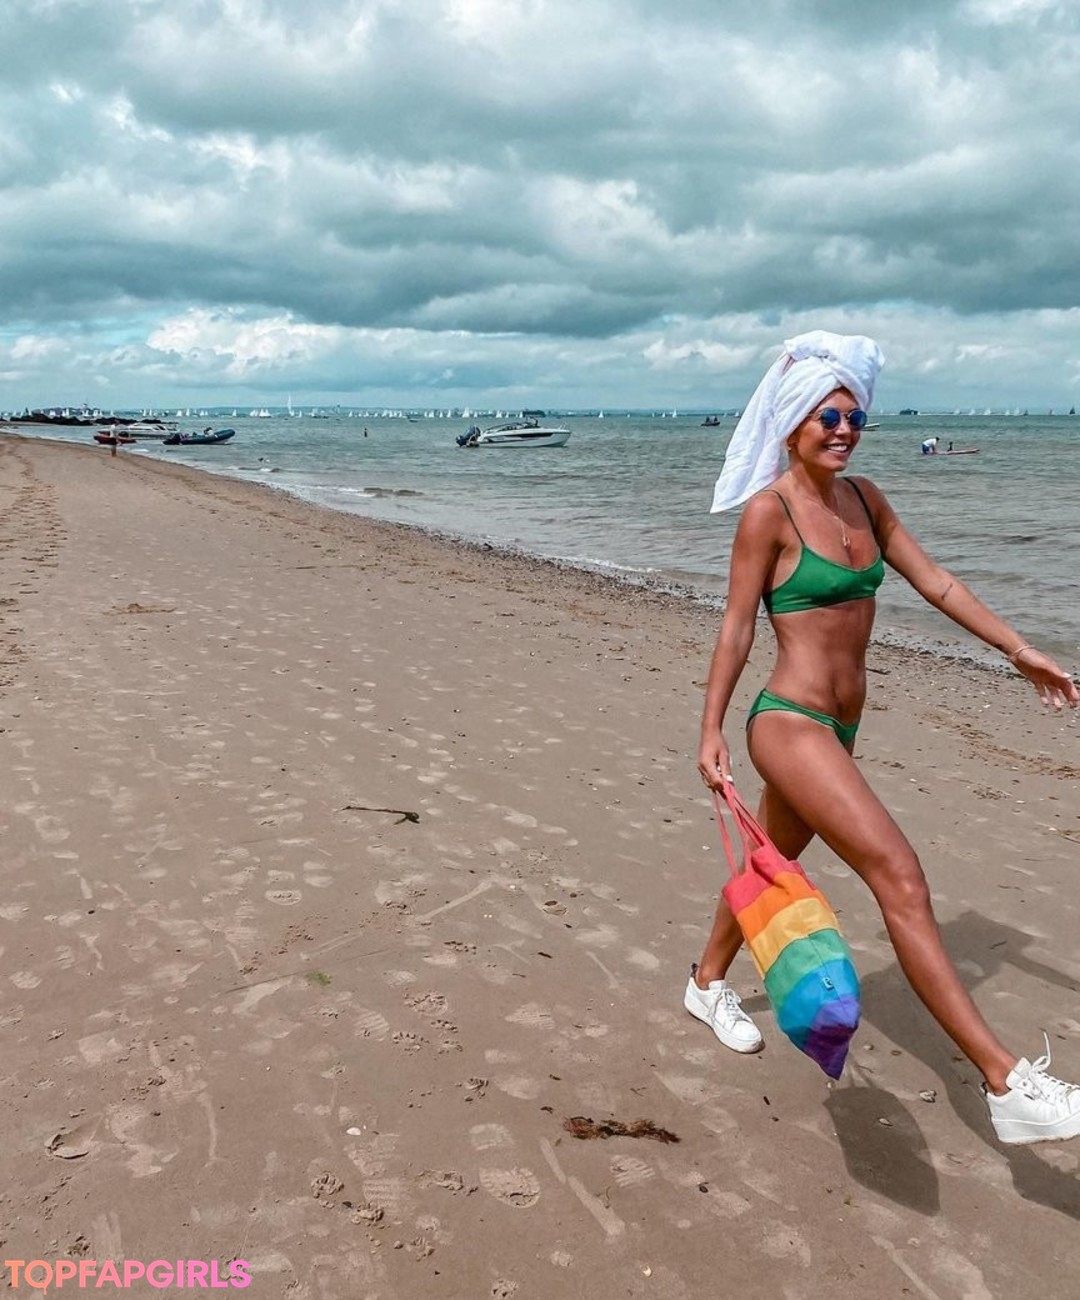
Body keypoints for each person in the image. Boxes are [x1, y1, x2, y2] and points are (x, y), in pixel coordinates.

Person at [688, 330, 1080, 1145]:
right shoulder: (769, 513)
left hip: (841, 725)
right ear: (793, 424)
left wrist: (1021, 652)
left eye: (855, 418)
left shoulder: (866, 500)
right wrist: (711, 729)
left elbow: (938, 583)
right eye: (828, 417)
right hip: (788, 722)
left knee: (775, 859)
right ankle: (1005, 1081)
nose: (845, 430)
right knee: (899, 874)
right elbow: (735, 627)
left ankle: (705, 981)